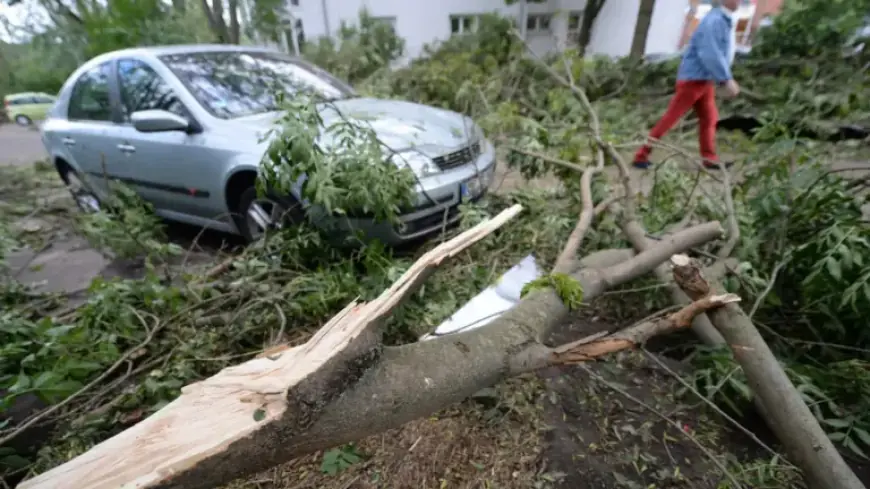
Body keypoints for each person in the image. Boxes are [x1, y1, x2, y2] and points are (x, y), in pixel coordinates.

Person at [633, 0, 741, 170]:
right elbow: (709, 53)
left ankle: (709, 158)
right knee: (671, 118)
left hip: (704, 79)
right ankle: (640, 156)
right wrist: (725, 79)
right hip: (694, 80)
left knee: (709, 118)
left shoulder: (722, 19)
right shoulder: (715, 21)